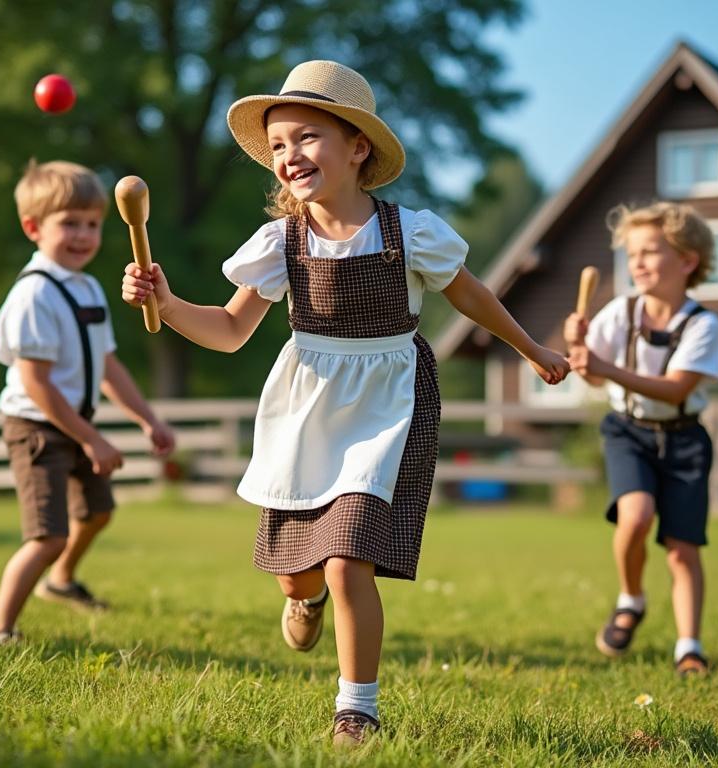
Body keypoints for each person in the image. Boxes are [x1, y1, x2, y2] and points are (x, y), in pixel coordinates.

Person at [121, 60, 568, 746]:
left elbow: (471, 295)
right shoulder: (281, 243)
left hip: (389, 404)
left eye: (306, 137)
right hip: (308, 411)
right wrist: (167, 303)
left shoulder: (410, 231)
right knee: (301, 572)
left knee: (348, 555)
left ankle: (356, 709)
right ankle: (304, 598)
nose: (289, 156)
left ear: (358, 146)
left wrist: (531, 348)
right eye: (277, 146)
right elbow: (230, 329)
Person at [0, 160, 175, 644]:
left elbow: (108, 366)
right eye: (69, 223)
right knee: (48, 535)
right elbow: (38, 385)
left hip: (75, 424)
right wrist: (91, 439)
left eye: (92, 224)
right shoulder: (33, 295)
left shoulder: (88, 287)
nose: (84, 235)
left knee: (96, 513)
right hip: (37, 426)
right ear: (33, 228)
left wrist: (147, 419)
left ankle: (60, 581)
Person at [564, 202, 718, 676]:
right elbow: (593, 378)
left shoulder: (703, 325)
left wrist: (605, 367)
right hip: (628, 431)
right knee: (634, 517)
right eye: (633, 253)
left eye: (651, 251)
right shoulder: (621, 312)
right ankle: (631, 599)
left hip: (684, 440)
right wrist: (581, 351)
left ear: (688, 261)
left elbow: (677, 387)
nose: (638, 263)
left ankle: (689, 647)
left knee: (682, 547)